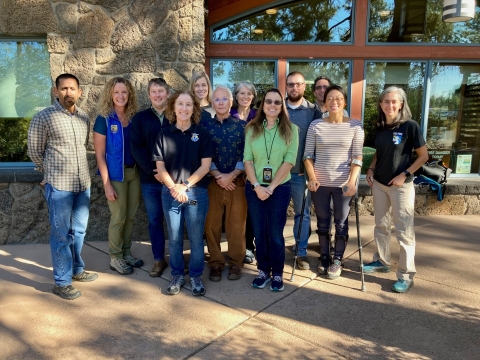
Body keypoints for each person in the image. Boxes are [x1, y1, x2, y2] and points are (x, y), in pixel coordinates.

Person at [28, 73, 98, 300]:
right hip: (59, 187)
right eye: (64, 88)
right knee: (61, 235)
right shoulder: (43, 117)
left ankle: (76, 270)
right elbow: (34, 151)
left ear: (80, 92)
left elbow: (83, 147)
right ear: (56, 91)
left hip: (82, 185)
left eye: (72, 88)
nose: (68, 92)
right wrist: (46, 173)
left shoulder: (84, 118)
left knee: (78, 231)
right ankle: (62, 281)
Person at [365, 86, 428, 293]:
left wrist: (405, 174)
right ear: (381, 104)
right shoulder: (380, 127)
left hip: (401, 186)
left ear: (401, 104)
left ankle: (406, 275)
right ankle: (382, 262)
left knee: (404, 231)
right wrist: (371, 168)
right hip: (380, 184)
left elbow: (423, 156)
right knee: (381, 225)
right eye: (386, 101)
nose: (390, 105)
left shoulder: (410, 126)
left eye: (394, 101)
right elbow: (379, 152)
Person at [153, 90, 213, 297]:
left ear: (194, 109)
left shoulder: (202, 134)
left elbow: (205, 167)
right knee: (176, 238)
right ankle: (177, 274)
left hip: (196, 193)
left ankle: (196, 275)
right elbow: (160, 169)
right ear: (173, 107)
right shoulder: (164, 135)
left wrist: (184, 186)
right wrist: (174, 188)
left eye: (189, 104)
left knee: (196, 238)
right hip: (170, 193)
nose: (184, 108)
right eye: (180, 104)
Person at [303, 85, 364, 279]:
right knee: (322, 222)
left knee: (341, 222)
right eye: (330, 98)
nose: (334, 102)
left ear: (344, 102)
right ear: (325, 102)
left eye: (338, 98)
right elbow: (307, 155)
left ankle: (338, 259)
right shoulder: (316, 125)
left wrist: (352, 181)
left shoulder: (355, 126)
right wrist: (312, 178)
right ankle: (324, 256)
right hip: (319, 183)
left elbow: (357, 157)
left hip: (343, 184)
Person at [244, 88, 299, 292]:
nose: (273, 105)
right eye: (269, 101)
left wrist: (271, 187)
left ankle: (277, 273)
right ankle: (262, 270)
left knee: (275, 233)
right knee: (259, 232)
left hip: (280, 188)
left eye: (277, 102)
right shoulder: (252, 129)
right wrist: (258, 186)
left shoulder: (291, 130)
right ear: (262, 105)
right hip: (255, 188)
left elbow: (290, 160)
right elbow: (247, 159)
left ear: (282, 106)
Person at [93, 77, 142, 276]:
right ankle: (115, 257)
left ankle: (126, 252)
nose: (120, 96)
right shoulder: (103, 119)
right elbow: (99, 155)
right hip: (115, 176)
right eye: (116, 92)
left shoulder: (133, 118)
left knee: (130, 216)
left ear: (129, 94)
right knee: (119, 217)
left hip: (134, 173)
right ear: (110, 95)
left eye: (124, 92)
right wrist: (106, 184)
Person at [202, 86, 247, 282]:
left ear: (231, 102)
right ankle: (216, 263)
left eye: (224, 99)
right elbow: (202, 154)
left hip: (237, 183)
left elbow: (247, 154)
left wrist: (232, 175)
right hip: (213, 183)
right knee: (211, 225)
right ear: (212, 103)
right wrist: (219, 176)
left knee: (236, 226)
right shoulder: (204, 127)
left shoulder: (242, 126)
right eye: (217, 100)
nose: (220, 103)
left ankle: (236, 262)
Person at [130, 78, 171, 277]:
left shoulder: (177, 115)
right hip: (150, 180)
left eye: (161, 91)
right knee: (155, 220)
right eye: (153, 92)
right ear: (149, 95)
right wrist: (152, 170)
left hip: (175, 180)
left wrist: (170, 174)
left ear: (167, 94)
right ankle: (158, 259)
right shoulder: (140, 119)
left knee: (175, 221)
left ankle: (178, 258)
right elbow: (135, 147)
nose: (157, 95)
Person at [285, 71, 321, 270]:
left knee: (302, 214)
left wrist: (311, 170)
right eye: (291, 84)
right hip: (278, 175)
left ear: (304, 87)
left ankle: (300, 253)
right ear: (286, 86)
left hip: (301, 174)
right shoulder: (277, 107)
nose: (294, 88)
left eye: (298, 84)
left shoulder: (313, 111)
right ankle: (274, 250)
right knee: (276, 214)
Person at [229, 81, 258, 264]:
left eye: (249, 93)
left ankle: (249, 247)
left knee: (251, 212)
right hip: (231, 170)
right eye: (242, 93)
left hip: (253, 170)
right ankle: (235, 247)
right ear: (236, 95)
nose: (245, 96)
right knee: (235, 213)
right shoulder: (228, 114)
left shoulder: (258, 116)